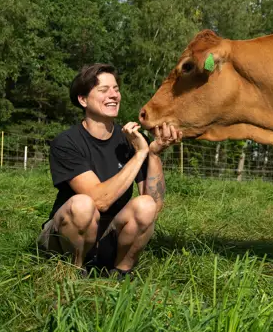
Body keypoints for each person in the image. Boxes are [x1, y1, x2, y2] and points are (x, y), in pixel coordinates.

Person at [37, 63, 181, 278]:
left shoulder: (130, 141)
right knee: (82, 205)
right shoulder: (67, 142)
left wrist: (153, 154)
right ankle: (74, 272)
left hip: (111, 234)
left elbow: (154, 204)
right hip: (65, 240)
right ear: (83, 100)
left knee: (145, 206)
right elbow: (99, 200)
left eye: (116, 89)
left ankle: (121, 273)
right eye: (103, 90)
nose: (114, 95)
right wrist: (140, 154)